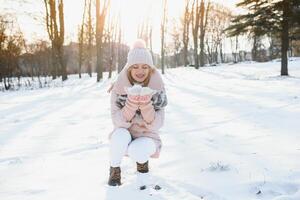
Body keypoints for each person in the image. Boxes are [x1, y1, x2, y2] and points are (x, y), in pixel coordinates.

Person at [108, 39, 167, 189]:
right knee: (118, 134)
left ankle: (143, 170)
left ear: (150, 69)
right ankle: (114, 170)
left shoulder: (157, 90)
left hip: (148, 137)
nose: (140, 71)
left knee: (137, 149)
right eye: (135, 67)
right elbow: (117, 121)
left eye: (144, 67)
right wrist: (132, 103)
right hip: (125, 135)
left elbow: (156, 125)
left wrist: (146, 103)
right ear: (129, 69)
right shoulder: (118, 90)